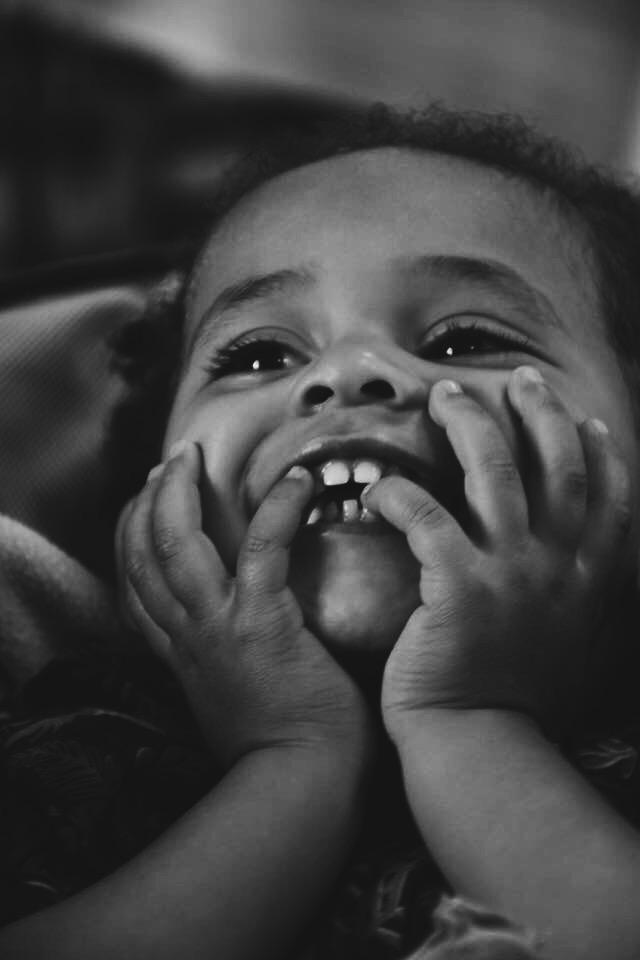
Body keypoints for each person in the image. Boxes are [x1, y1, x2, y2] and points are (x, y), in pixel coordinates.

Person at [2, 103, 640, 959]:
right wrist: (291, 758)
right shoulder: (63, 760)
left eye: (463, 341)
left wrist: (471, 721)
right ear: (148, 514)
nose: (349, 370)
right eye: (258, 356)